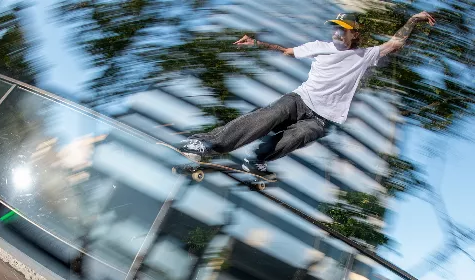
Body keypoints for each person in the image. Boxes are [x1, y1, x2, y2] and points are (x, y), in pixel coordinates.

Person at [179, 11, 436, 177]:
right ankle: (208, 143)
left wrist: (413, 20)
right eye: (335, 29)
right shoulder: (319, 47)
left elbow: (395, 43)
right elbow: (286, 51)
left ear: (354, 34)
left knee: (303, 134)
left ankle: (258, 160)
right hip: (300, 99)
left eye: (342, 29)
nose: (336, 33)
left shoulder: (365, 55)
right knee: (271, 115)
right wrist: (257, 43)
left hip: (323, 117)